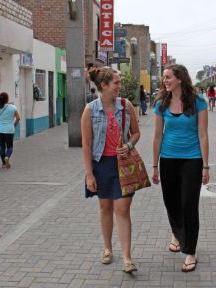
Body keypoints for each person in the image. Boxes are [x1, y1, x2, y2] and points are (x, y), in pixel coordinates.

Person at [81, 66, 140, 273]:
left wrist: (129, 146)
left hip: (123, 165)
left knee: (122, 209)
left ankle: (127, 258)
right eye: (116, 83)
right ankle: (107, 248)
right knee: (105, 208)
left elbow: (135, 133)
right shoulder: (90, 110)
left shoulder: (126, 106)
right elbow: (87, 145)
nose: (119, 86)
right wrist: (89, 174)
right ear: (103, 85)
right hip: (101, 165)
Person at [152, 64, 209, 273]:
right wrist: (155, 166)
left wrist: (206, 166)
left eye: (168, 77)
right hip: (168, 159)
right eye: (164, 77)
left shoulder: (198, 103)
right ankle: (177, 233)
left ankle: (190, 251)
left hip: (192, 160)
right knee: (171, 202)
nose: (164, 80)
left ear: (180, 79)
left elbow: (203, 135)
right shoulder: (161, 103)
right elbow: (157, 136)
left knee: (189, 204)